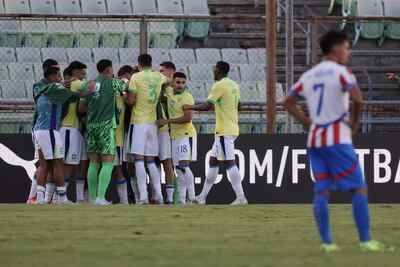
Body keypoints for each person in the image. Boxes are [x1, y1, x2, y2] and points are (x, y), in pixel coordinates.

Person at [283, 30, 394, 253]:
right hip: (337, 138)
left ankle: (327, 243)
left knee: (321, 191)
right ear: (335, 48)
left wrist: (308, 122)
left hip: (315, 140)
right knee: (359, 189)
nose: (348, 52)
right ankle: (365, 240)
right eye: (345, 47)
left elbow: (287, 101)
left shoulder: (310, 75)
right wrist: (353, 123)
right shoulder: (342, 72)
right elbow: (357, 98)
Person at [183, 61, 247, 205]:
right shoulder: (234, 85)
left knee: (230, 163)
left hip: (224, 130)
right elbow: (239, 106)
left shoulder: (219, 85)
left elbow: (207, 106)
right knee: (213, 162)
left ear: (218, 70)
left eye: (215, 70)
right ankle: (202, 197)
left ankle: (241, 197)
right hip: (231, 128)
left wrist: (189, 107)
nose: (214, 72)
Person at [33, 67, 94, 204]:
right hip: (49, 130)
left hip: (38, 130)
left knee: (44, 165)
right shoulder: (56, 87)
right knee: (58, 164)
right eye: (58, 75)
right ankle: (62, 198)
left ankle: (40, 198)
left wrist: (61, 84)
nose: (61, 77)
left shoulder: (40, 88)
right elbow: (76, 95)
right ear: (52, 77)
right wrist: (90, 91)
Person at [126, 54, 171, 205]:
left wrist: (126, 95)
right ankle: (159, 196)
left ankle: (143, 197)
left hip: (138, 122)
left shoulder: (136, 78)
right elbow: (169, 80)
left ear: (138, 65)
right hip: (153, 124)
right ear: (151, 64)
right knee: (150, 161)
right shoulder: (159, 76)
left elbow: (131, 101)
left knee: (138, 160)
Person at [79, 59, 125, 205]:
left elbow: (81, 108)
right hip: (105, 126)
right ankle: (100, 198)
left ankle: (93, 198)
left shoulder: (88, 84)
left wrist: (95, 108)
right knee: (108, 162)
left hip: (91, 126)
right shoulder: (112, 83)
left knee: (93, 163)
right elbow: (126, 87)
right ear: (109, 70)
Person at [157, 72, 197, 204]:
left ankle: (192, 197)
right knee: (178, 169)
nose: (180, 85)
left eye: (183, 83)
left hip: (186, 135)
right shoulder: (169, 91)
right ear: (172, 82)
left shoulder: (187, 97)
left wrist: (167, 121)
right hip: (174, 137)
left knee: (184, 167)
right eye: (178, 82)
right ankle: (181, 199)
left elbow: (187, 118)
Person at [27, 59, 60, 204]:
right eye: (54, 70)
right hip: (42, 128)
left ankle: (45, 199)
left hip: (52, 127)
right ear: (47, 70)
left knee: (51, 163)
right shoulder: (39, 86)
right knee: (44, 163)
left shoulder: (55, 86)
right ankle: (33, 196)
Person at [59, 61, 89, 203]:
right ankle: (59, 197)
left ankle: (79, 198)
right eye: (82, 71)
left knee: (77, 163)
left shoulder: (68, 84)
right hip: (69, 128)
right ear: (75, 72)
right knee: (67, 164)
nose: (84, 74)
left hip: (75, 129)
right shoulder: (77, 84)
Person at [114, 65, 135, 204]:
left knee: (123, 167)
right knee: (120, 167)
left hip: (120, 133)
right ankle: (128, 199)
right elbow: (130, 102)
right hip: (119, 135)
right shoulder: (123, 85)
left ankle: (131, 198)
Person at [157, 61, 176, 204]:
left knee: (167, 163)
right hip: (154, 128)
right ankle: (157, 196)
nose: (159, 73)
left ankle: (172, 198)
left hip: (167, 131)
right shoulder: (159, 86)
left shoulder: (176, 88)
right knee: (153, 163)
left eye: (162, 71)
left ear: (171, 73)